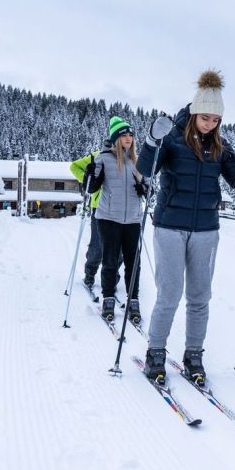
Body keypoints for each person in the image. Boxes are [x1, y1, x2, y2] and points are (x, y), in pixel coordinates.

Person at [136, 70, 235, 385]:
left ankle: (193, 355)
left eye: (216, 120)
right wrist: (152, 141)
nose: (210, 124)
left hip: (206, 230)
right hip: (170, 226)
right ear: (195, 111)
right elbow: (146, 169)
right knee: (170, 294)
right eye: (205, 118)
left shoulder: (221, 147)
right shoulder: (172, 139)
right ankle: (155, 353)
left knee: (200, 297)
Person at [93, 116, 149, 322]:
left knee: (134, 263)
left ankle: (133, 300)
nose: (128, 138)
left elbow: (150, 190)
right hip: (109, 218)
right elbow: (91, 187)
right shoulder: (104, 158)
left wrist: (144, 188)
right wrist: (91, 175)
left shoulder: (138, 161)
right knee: (110, 260)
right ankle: (108, 298)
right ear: (116, 138)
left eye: (131, 135)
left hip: (133, 219)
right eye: (124, 135)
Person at [69, 140, 112, 300]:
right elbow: (74, 166)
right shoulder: (97, 156)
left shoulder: (126, 158)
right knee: (97, 246)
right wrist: (88, 180)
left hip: (120, 209)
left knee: (119, 249)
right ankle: (89, 275)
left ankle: (112, 278)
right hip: (99, 207)